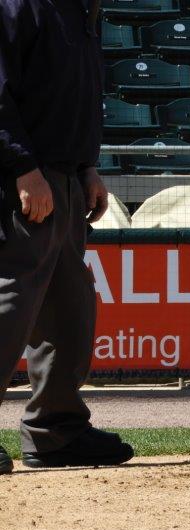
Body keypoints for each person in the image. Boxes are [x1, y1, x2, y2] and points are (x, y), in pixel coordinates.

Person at [0, 0, 134, 475]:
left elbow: (76, 94)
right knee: (10, 303)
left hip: (65, 176)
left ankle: (55, 432)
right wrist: (22, 167)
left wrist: (88, 166)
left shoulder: (80, 9)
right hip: (23, 178)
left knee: (69, 309)